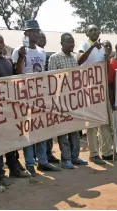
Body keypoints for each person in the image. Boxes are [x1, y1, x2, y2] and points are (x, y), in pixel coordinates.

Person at [12, 20, 61, 176]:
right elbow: (16, 74)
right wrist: (20, 57)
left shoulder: (41, 52)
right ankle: (30, 163)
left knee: (41, 129)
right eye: (31, 31)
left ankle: (43, 161)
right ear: (25, 34)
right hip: (25, 96)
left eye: (37, 31)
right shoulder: (18, 50)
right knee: (29, 131)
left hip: (41, 96)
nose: (35, 34)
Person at [0, 33, 31, 181]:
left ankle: (14, 168)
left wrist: (21, 57)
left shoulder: (8, 61)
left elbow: (17, 77)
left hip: (9, 107)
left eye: (1, 42)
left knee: (11, 141)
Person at [78, 24, 117, 163]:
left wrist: (107, 59)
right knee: (91, 123)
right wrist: (92, 47)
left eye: (96, 29)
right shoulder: (84, 45)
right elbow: (79, 61)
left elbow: (105, 68)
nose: (94, 31)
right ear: (86, 33)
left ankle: (107, 152)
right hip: (89, 88)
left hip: (102, 89)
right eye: (91, 30)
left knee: (105, 121)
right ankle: (94, 153)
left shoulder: (103, 48)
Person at [48, 33, 88, 169]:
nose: (72, 45)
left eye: (73, 42)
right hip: (61, 100)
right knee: (63, 131)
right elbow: (52, 80)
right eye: (69, 42)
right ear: (62, 43)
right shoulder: (55, 58)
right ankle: (65, 159)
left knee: (75, 130)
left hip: (74, 100)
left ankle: (75, 157)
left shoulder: (74, 58)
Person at [36, 31, 60, 164]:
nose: (42, 39)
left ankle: (49, 153)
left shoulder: (47, 55)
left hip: (49, 96)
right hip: (37, 96)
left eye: (44, 37)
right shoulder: (29, 53)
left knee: (49, 126)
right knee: (38, 127)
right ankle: (38, 156)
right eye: (40, 37)